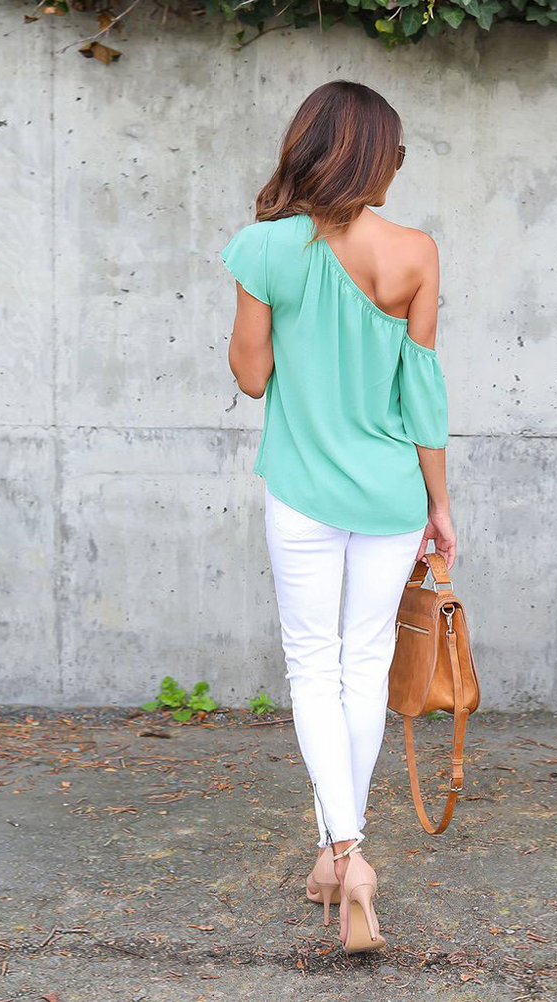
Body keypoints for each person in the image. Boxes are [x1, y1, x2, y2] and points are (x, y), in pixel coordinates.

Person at [220, 80, 455, 955]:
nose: (397, 165)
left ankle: (346, 856)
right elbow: (422, 392)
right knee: (365, 664)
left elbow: (251, 377)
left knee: (314, 667)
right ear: (370, 158)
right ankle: (339, 852)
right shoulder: (416, 253)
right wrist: (439, 505)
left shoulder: (264, 248)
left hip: (304, 491)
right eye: (394, 152)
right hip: (392, 496)